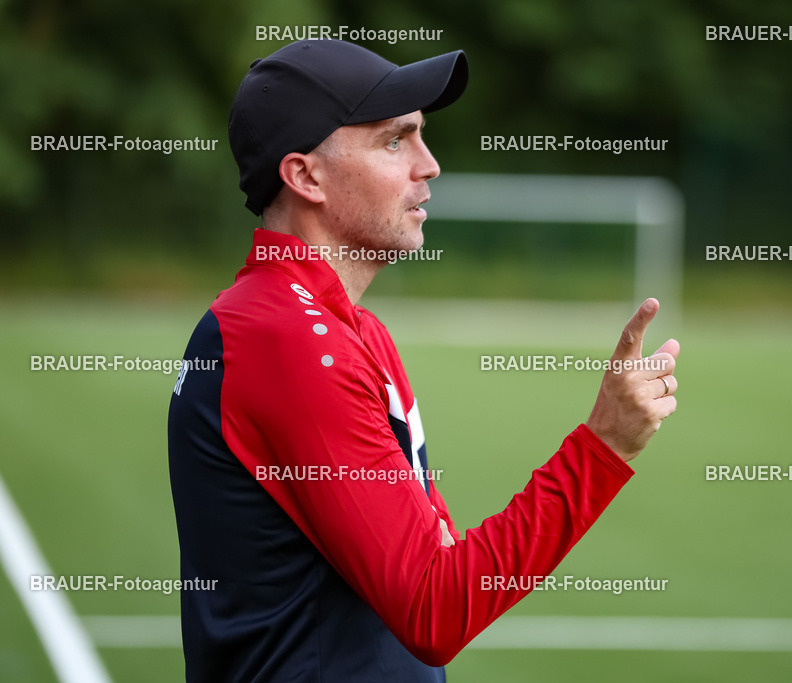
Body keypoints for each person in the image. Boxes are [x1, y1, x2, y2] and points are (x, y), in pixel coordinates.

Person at [167, 39, 678, 682]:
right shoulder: (283, 341)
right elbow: (434, 608)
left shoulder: (345, 330)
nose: (429, 165)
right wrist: (603, 447)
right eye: (394, 140)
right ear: (305, 176)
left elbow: (437, 560)